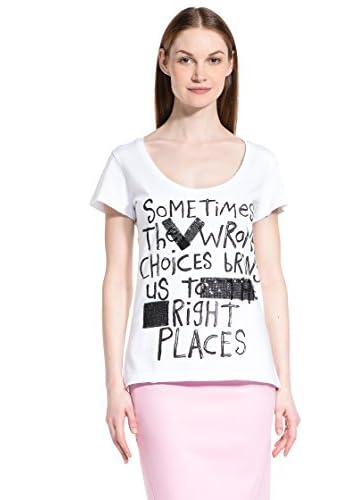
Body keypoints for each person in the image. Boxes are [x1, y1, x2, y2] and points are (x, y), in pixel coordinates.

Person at [89, 6, 300, 500]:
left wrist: (285, 384)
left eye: (213, 59)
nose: (200, 74)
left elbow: (272, 280)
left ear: (231, 65)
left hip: (246, 381)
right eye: (186, 59)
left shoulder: (260, 165)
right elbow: (116, 281)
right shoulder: (128, 163)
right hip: (159, 380)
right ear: (164, 62)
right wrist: (113, 385)